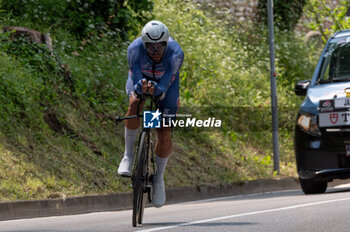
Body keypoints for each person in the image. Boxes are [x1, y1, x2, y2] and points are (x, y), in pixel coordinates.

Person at [118, 20, 184, 208]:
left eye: (160, 46)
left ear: (166, 42)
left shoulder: (176, 53)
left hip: (166, 85)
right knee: (136, 102)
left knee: (163, 131)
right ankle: (128, 156)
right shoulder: (134, 49)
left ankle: (158, 179)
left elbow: (166, 81)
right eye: (151, 47)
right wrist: (141, 88)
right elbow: (136, 75)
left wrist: (159, 90)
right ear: (143, 43)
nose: (155, 52)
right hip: (142, 79)